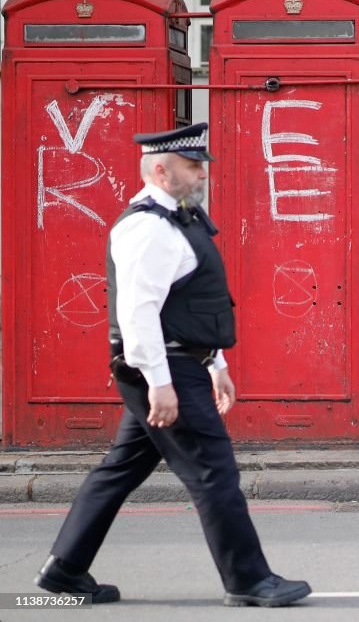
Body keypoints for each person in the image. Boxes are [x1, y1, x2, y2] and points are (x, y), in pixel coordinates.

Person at [34, 122, 311, 608]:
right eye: (192, 166)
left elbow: (191, 305)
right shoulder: (148, 228)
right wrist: (160, 383)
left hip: (179, 363)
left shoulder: (181, 219)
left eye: (201, 164)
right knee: (213, 472)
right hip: (163, 369)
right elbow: (138, 313)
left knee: (121, 468)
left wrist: (216, 362)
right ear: (161, 171)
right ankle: (248, 580)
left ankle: (64, 570)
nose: (202, 173)